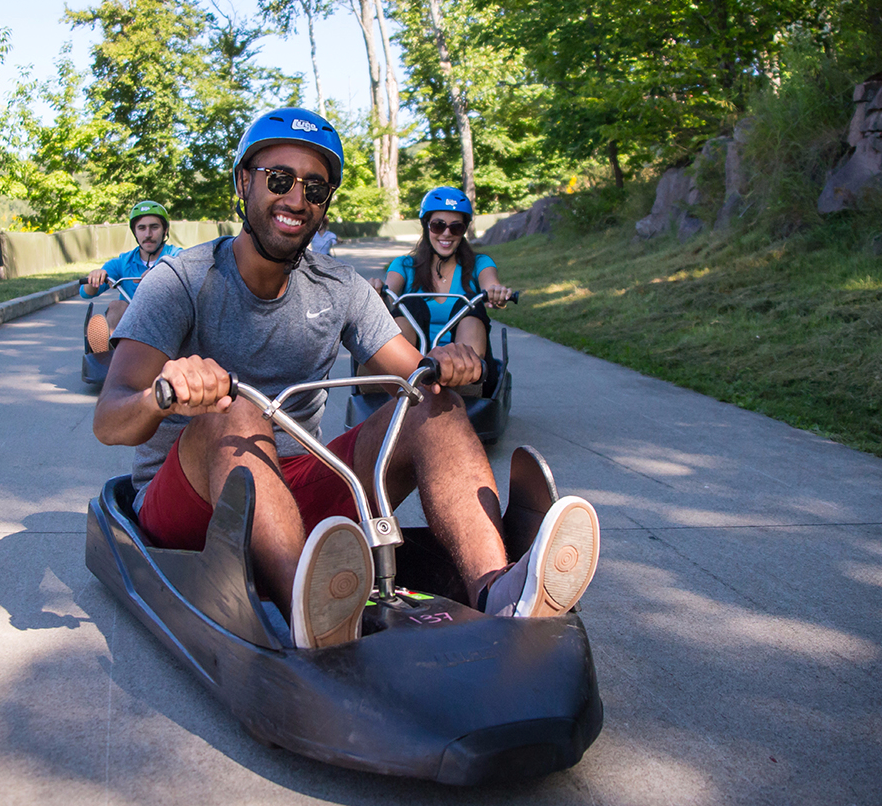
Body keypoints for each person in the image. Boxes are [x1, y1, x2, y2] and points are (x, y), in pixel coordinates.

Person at [92, 107, 600, 650]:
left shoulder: (340, 288)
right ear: (244, 181)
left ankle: (499, 591)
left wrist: (447, 366)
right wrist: (165, 394)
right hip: (187, 507)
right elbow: (110, 419)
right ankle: (308, 610)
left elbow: (411, 374)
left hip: (293, 496)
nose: (296, 199)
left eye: (315, 187)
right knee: (236, 409)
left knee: (433, 403)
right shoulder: (180, 281)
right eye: (280, 180)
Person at [370, 187, 513, 370]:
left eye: (456, 227)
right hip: (411, 362)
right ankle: (404, 372)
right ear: (426, 225)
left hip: (463, 365)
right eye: (438, 225)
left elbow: (491, 283)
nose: (446, 233)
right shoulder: (404, 265)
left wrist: (496, 292)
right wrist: (378, 292)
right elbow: (389, 294)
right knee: (409, 306)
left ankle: (465, 376)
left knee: (470, 305)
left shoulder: (479, 263)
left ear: (463, 231)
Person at [81, 200, 181, 358]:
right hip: (130, 326)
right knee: (117, 305)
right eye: (142, 228)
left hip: (164, 321)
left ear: (165, 230)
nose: (148, 234)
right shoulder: (123, 261)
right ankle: (108, 350)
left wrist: (161, 275)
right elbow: (86, 293)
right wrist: (94, 277)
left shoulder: (177, 256)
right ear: (135, 232)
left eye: (154, 227)